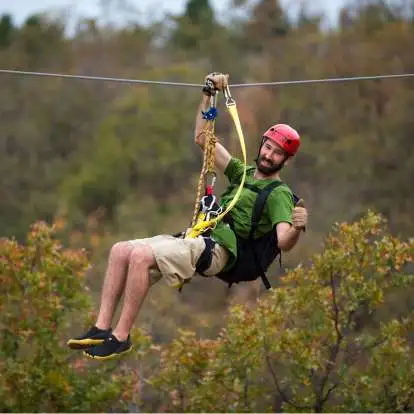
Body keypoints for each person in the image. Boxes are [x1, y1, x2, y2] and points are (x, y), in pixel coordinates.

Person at [67, 72, 308, 360]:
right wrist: (207, 95)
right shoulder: (241, 173)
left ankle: (120, 337)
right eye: (268, 147)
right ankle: (100, 328)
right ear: (262, 145)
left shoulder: (278, 193)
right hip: (201, 236)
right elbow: (202, 138)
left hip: (223, 250)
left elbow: (283, 241)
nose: (269, 155)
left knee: (141, 256)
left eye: (277, 153)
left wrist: (297, 227)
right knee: (121, 251)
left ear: (286, 160)